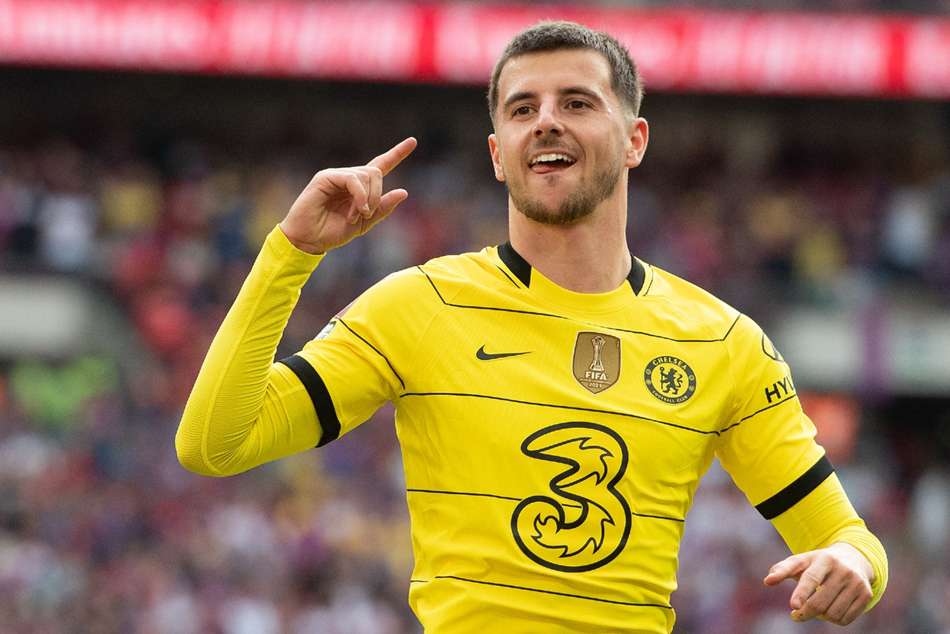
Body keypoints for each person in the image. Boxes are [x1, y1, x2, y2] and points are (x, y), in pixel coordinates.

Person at [176, 21, 887, 633]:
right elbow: (215, 444)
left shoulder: (725, 343)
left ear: (635, 140)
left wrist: (852, 561)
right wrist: (291, 253)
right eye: (523, 109)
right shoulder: (419, 306)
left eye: (577, 102)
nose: (546, 121)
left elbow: (848, 538)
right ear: (498, 154)